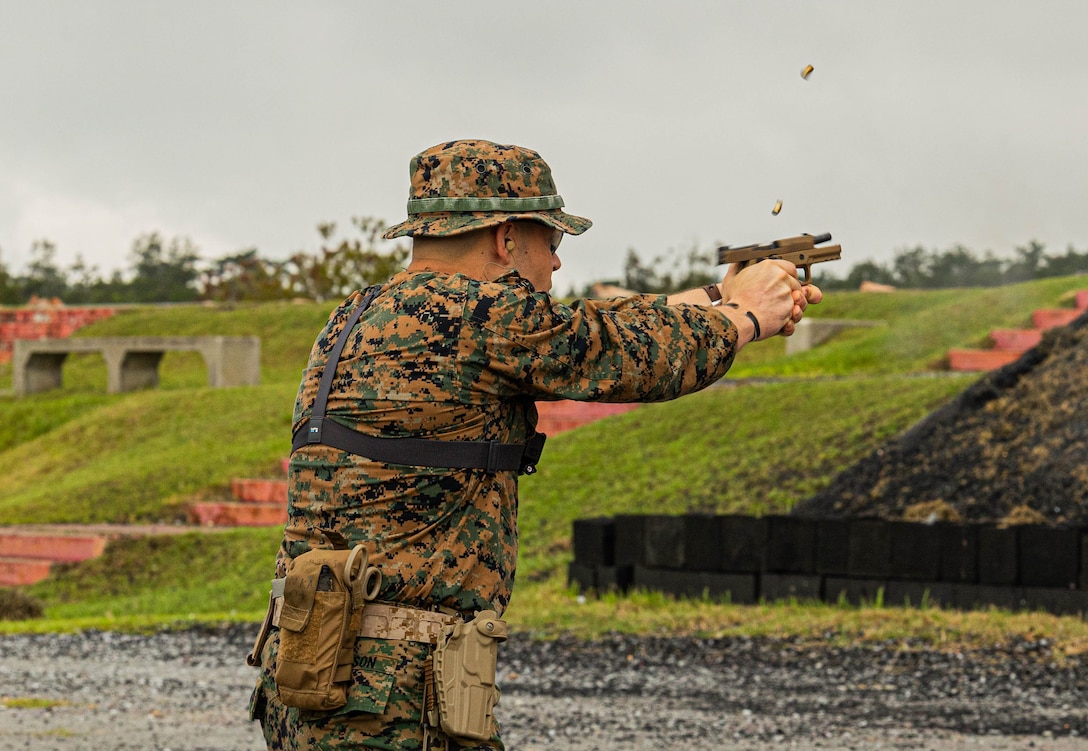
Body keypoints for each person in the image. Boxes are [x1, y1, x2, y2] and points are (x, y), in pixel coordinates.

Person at [249, 138, 821, 750]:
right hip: (388, 696)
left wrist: (717, 301)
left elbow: (590, 329)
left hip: (315, 668)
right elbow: (632, 358)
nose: (555, 263)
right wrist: (750, 315)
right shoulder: (480, 317)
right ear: (505, 239)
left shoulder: (359, 314)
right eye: (551, 241)